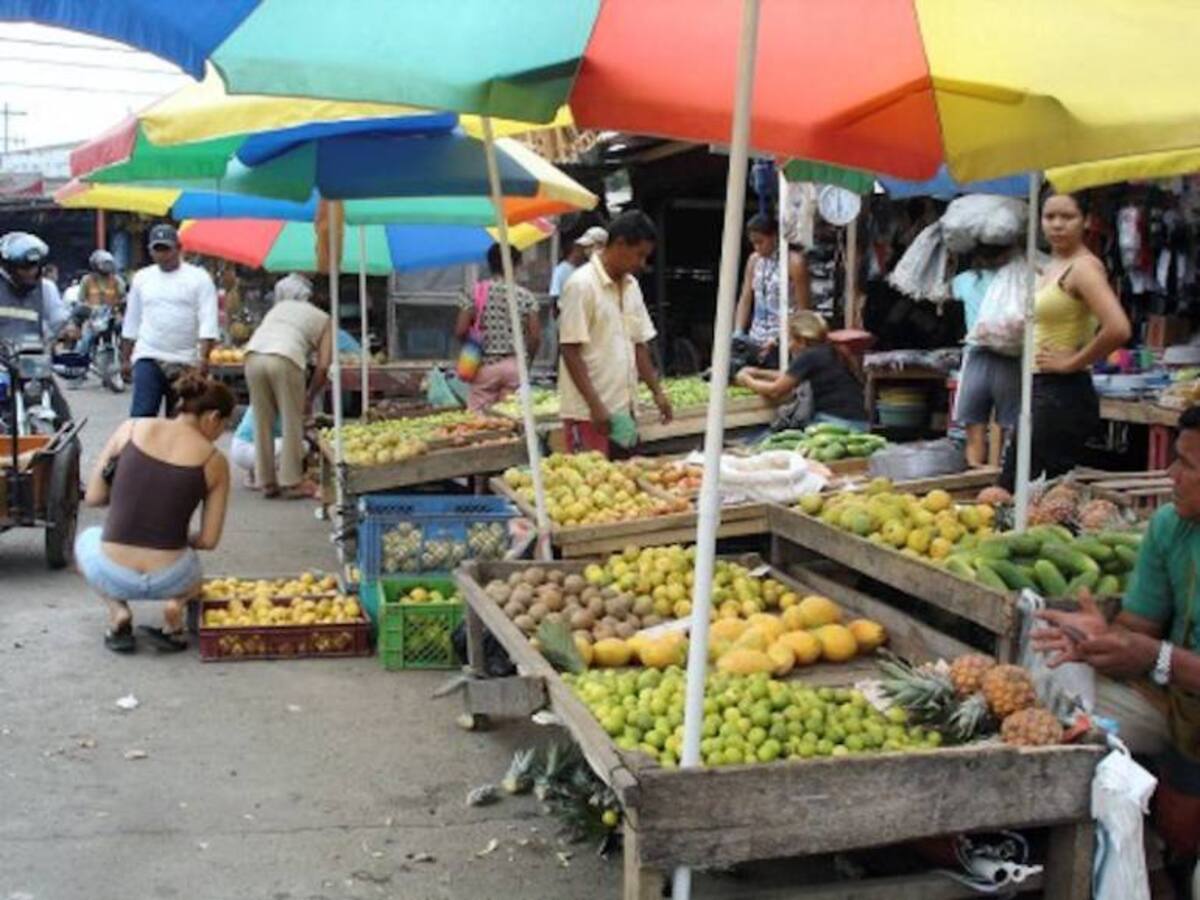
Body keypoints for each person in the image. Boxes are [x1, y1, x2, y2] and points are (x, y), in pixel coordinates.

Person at [1034, 407, 1200, 888]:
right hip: (1183, 703)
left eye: (1187, 464)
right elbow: (1139, 627)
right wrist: (1100, 638)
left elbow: (1150, 652)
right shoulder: (1172, 526)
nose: (1171, 475)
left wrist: (1154, 656)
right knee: (1054, 695)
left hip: (1179, 684)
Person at [76, 372, 233, 654]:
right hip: (171, 578)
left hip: (114, 574)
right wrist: (180, 538)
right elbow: (209, 541)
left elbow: (94, 497)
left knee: (86, 539)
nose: (220, 433)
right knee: (194, 570)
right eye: (224, 425)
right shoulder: (214, 461)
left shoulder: (130, 429)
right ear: (212, 417)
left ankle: (118, 611)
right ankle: (175, 609)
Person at [999, 191, 1132, 489]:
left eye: (1067, 217)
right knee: (1025, 493)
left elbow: (1118, 328)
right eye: (1050, 217)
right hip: (1040, 389)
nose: (1057, 224)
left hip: (1061, 394)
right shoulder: (1051, 266)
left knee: (1021, 493)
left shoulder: (1084, 268)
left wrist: (1072, 362)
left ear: (1086, 221)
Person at [558, 210, 672, 458]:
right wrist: (595, 406)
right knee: (589, 487)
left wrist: (657, 392)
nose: (642, 264)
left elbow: (639, 345)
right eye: (639, 254)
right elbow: (569, 350)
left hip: (623, 411)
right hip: (588, 414)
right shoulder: (581, 285)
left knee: (623, 485)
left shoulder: (632, 287)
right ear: (619, 244)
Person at [244, 272, 331, 499]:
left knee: (261, 419)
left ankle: (266, 481)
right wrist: (310, 397)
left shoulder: (280, 308)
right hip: (286, 357)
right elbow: (323, 367)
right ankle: (292, 482)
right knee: (292, 419)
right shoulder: (325, 320)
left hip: (253, 355)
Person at [121, 223, 220, 417]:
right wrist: (125, 358)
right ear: (150, 251)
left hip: (185, 361)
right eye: (157, 250)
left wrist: (203, 361)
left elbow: (208, 322)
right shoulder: (142, 278)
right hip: (148, 355)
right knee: (141, 419)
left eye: (167, 249)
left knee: (180, 422)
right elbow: (132, 320)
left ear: (179, 249)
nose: (162, 255)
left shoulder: (198, 278)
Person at [734, 311, 868, 431]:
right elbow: (790, 376)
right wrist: (758, 373)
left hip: (835, 424)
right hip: (860, 424)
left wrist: (747, 380)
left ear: (802, 340)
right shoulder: (830, 350)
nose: (789, 346)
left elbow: (776, 390)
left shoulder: (809, 356)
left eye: (790, 339)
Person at [952, 241, 1021, 466]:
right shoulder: (1016, 281)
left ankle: (976, 479)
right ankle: (1002, 478)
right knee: (1010, 428)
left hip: (977, 356)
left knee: (975, 430)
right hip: (1010, 357)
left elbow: (944, 292)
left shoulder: (965, 281)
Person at [454, 244, 541, 413]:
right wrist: (526, 362)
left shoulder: (474, 292)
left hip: (485, 366)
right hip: (515, 366)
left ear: (489, 263)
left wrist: (473, 346)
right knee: (511, 418)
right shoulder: (526, 296)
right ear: (517, 265)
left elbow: (460, 330)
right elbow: (535, 337)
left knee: (479, 422)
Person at [734, 213, 810, 368]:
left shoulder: (795, 262)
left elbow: (804, 310)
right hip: (756, 336)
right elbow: (746, 298)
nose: (757, 247)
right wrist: (739, 331)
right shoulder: (754, 260)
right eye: (753, 243)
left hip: (784, 339)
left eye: (761, 242)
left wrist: (782, 339)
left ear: (774, 237)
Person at [549, 227, 607, 308]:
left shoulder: (606, 271)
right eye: (585, 247)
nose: (586, 250)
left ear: (601, 246)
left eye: (590, 246)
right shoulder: (565, 270)